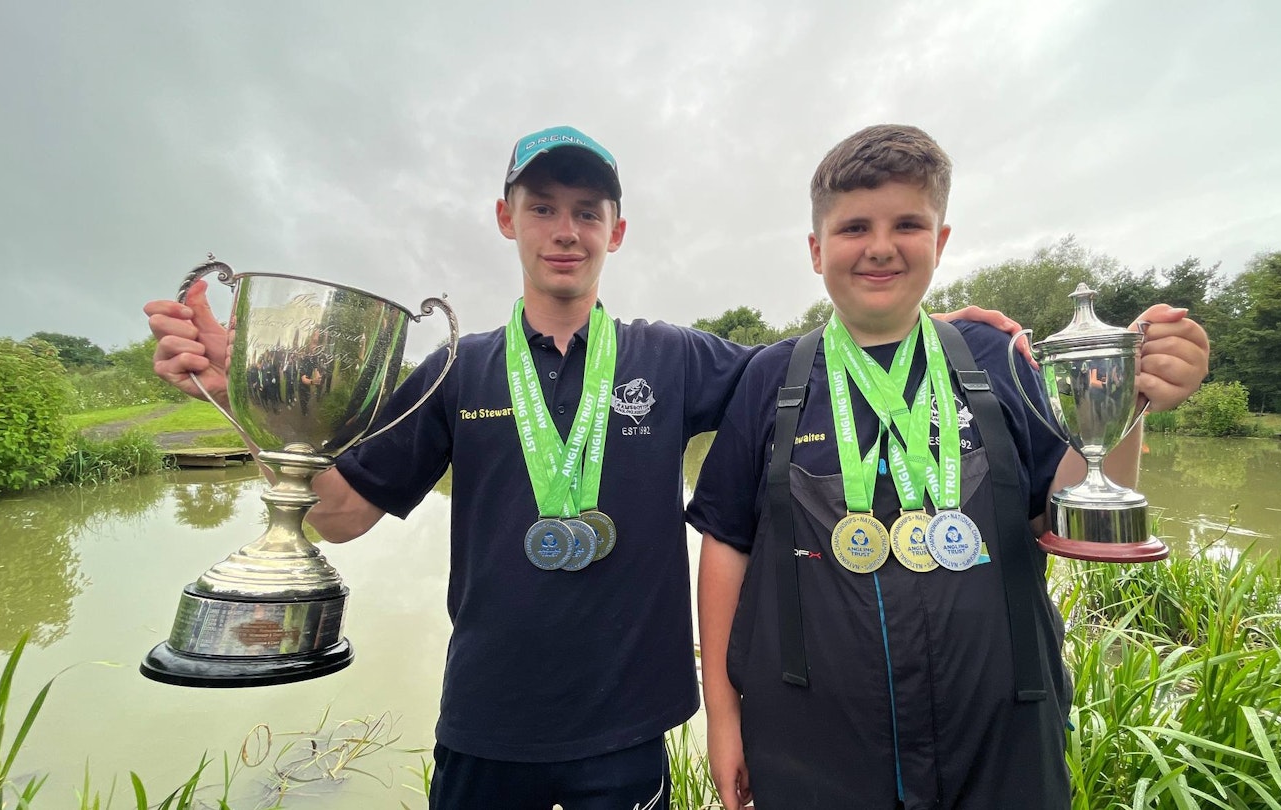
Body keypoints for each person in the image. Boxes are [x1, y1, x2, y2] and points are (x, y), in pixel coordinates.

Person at [143, 124, 1030, 809]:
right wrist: (249, 403)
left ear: (617, 230)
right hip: (484, 721)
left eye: (587, 212)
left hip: (628, 726)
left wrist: (939, 329)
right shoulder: (458, 368)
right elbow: (339, 512)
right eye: (542, 207)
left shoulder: (672, 356)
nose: (565, 231)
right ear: (507, 220)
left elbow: (806, 363)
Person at [687, 124, 1209, 809]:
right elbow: (726, 547)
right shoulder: (769, 379)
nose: (879, 246)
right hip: (812, 748)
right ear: (816, 251)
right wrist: (725, 721)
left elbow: (1079, 505)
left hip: (1001, 742)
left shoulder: (998, 360)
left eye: (907, 223)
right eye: (853, 228)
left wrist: (1126, 397)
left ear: (941, 241)